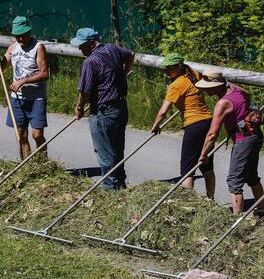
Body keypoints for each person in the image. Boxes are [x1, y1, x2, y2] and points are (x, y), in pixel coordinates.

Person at [70, 28, 135, 190]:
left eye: (82, 45)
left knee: (105, 152)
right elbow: (131, 54)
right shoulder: (112, 49)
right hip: (120, 107)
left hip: (103, 111)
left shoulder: (90, 62)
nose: (79, 49)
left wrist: (79, 107)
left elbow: (85, 92)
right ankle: (120, 183)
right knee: (117, 148)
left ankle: (110, 188)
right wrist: (123, 74)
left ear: (92, 44)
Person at [196, 70, 264, 217]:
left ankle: (237, 220)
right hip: (255, 137)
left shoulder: (223, 103)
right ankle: (261, 212)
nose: (205, 90)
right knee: (252, 176)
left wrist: (203, 154)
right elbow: (247, 93)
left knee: (234, 181)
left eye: (207, 87)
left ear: (217, 85)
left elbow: (212, 133)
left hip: (243, 141)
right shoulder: (237, 91)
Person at [150, 53, 216, 199]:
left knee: (187, 169)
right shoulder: (194, 74)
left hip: (194, 125)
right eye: (165, 68)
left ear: (179, 66)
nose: (167, 71)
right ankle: (210, 199)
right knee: (206, 164)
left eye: (170, 68)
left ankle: (188, 202)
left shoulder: (176, 84)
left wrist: (155, 125)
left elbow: (163, 111)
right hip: (208, 122)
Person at [0, 15, 49, 160]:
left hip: (36, 98)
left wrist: (24, 81)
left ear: (29, 32)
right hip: (17, 99)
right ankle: (27, 166)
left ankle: (43, 164)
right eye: (17, 36)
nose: (20, 39)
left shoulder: (38, 48)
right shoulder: (13, 47)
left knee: (37, 134)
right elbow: (0, 69)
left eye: (22, 36)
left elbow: (45, 74)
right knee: (21, 135)